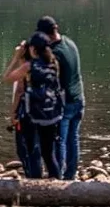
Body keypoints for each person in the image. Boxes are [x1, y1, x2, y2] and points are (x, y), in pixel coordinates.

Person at [2, 33, 64, 179]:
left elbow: (7, 78)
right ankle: (57, 184)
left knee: (32, 151)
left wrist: (17, 57)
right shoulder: (54, 63)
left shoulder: (29, 66)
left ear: (33, 49)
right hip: (50, 114)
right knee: (49, 154)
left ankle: (35, 184)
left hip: (30, 114)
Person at [35, 16, 84, 180]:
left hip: (66, 102)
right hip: (79, 98)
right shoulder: (69, 42)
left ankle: (59, 177)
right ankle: (71, 175)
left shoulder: (55, 53)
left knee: (60, 141)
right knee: (73, 139)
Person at [9, 47, 41, 178]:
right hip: (38, 113)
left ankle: (31, 174)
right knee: (35, 144)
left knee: (23, 147)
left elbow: (19, 92)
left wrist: (13, 114)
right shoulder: (39, 67)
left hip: (23, 113)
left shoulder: (23, 71)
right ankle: (36, 172)